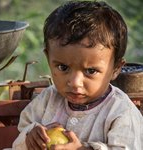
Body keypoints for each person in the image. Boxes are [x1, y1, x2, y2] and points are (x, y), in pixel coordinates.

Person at [10, 1, 143, 150]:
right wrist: (30, 137)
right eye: (63, 67)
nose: (75, 82)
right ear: (49, 59)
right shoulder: (48, 100)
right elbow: (23, 131)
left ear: (116, 69)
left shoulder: (121, 112)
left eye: (91, 71)